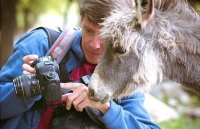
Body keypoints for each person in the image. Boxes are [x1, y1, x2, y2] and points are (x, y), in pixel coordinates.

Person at [0, 0, 161, 129]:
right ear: (81, 19)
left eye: (105, 36)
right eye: (89, 30)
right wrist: (28, 89)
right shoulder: (42, 44)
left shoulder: (125, 70)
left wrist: (105, 108)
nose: (94, 44)